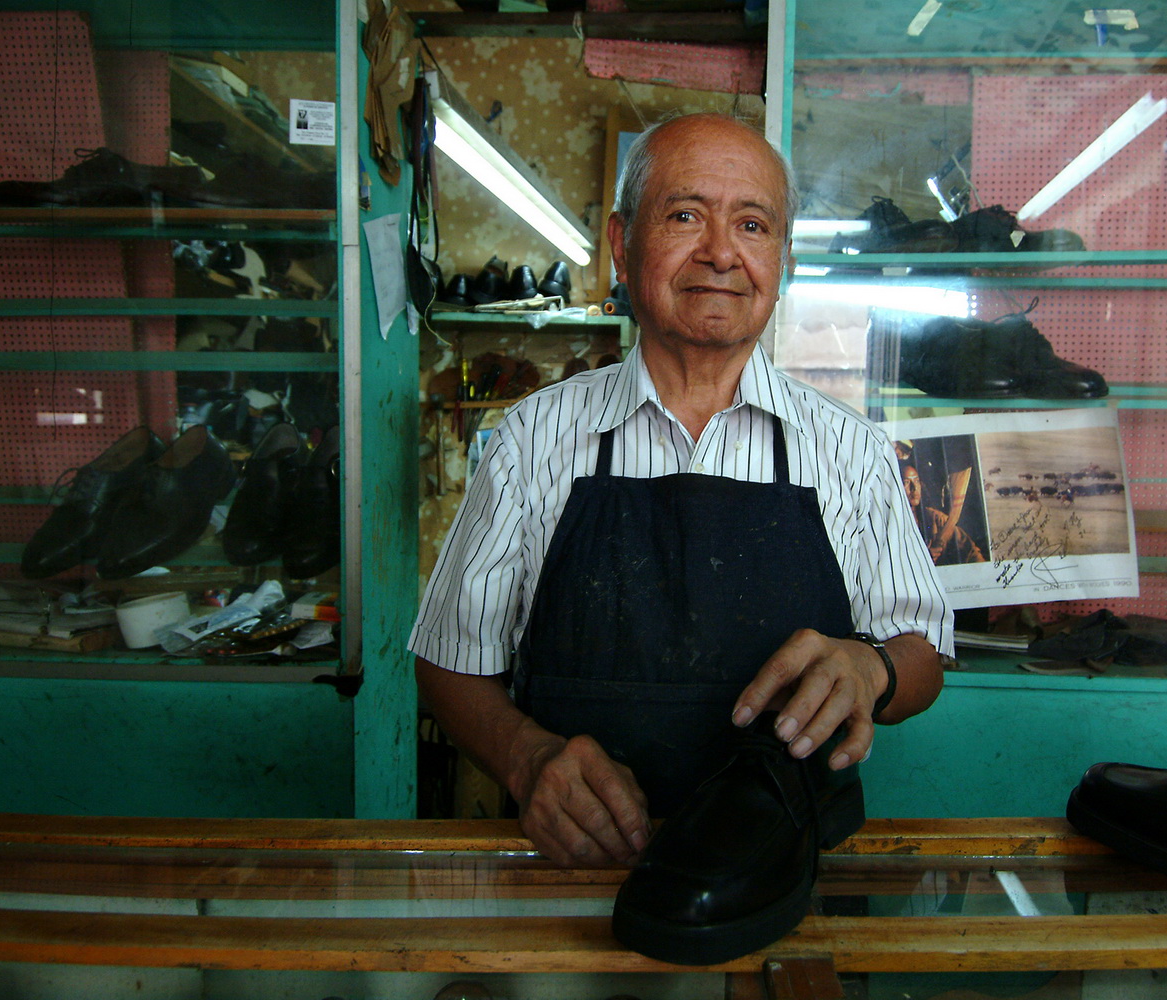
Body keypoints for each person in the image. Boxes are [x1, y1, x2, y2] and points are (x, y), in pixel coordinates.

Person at [410, 112, 953, 868]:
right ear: (621, 246)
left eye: (754, 225)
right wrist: (527, 759)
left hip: (785, 873)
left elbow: (922, 651)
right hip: (577, 872)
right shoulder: (533, 440)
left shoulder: (851, 451)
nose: (722, 253)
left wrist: (874, 668)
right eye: (685, 215)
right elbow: (446, 657)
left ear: (782, 260)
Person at [894, 441, 986, 565]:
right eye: (906, 482)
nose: (914, 489)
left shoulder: (936, 519)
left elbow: (971, 551)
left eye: (916, 481)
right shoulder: (891, 521)